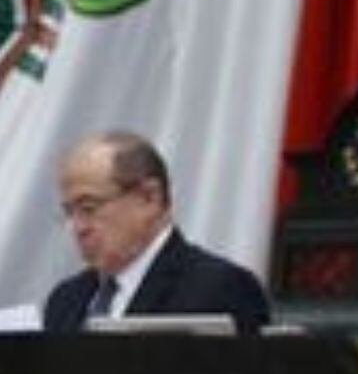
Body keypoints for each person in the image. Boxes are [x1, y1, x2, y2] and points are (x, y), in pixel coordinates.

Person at [43, 131, 272, 334]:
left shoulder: (219, 289)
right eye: (69, 212)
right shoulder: (65, 300)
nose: (78, 227)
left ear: (149, 197)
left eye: (88, 208)